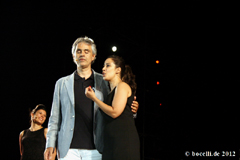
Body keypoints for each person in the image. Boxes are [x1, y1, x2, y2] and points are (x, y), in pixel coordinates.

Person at [44, 36, 139, 160]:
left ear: (93, 56)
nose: (82, 54)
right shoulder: (61, 83)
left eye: (86, 51)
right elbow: (54, 118)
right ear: (73, 56)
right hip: (68, 149)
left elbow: (116, 106)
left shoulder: (105, 81)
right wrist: (50, 144)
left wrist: (133, 111)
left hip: (97, 148)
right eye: (78, 51)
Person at [85, 55, 140, 160]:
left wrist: (94, 98)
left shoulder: (122, 86)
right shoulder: (110, 92)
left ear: (118, 70)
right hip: (111, 143)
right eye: (103, 66)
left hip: (123, 142)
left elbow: (115, 112)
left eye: (108, 65)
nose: (103, 69)